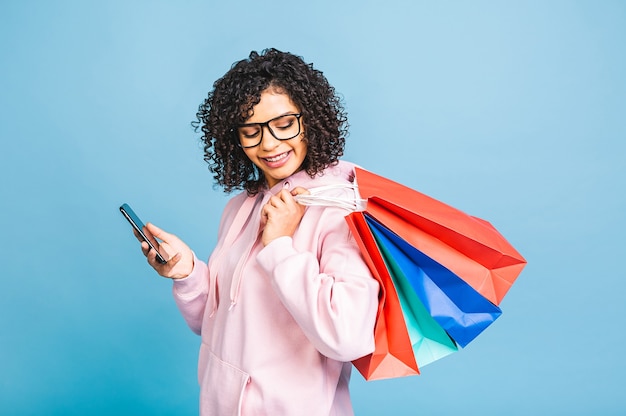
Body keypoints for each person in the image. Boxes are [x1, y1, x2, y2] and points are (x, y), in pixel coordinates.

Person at [134, 48, 379, 415]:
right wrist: (187, 273)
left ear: (309, 119)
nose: (269, 144)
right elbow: (216, 323)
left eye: (284, 125)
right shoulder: (240, 207)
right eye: (251, 131)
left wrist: (279, 244)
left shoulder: (339, 209)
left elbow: (347, 337)